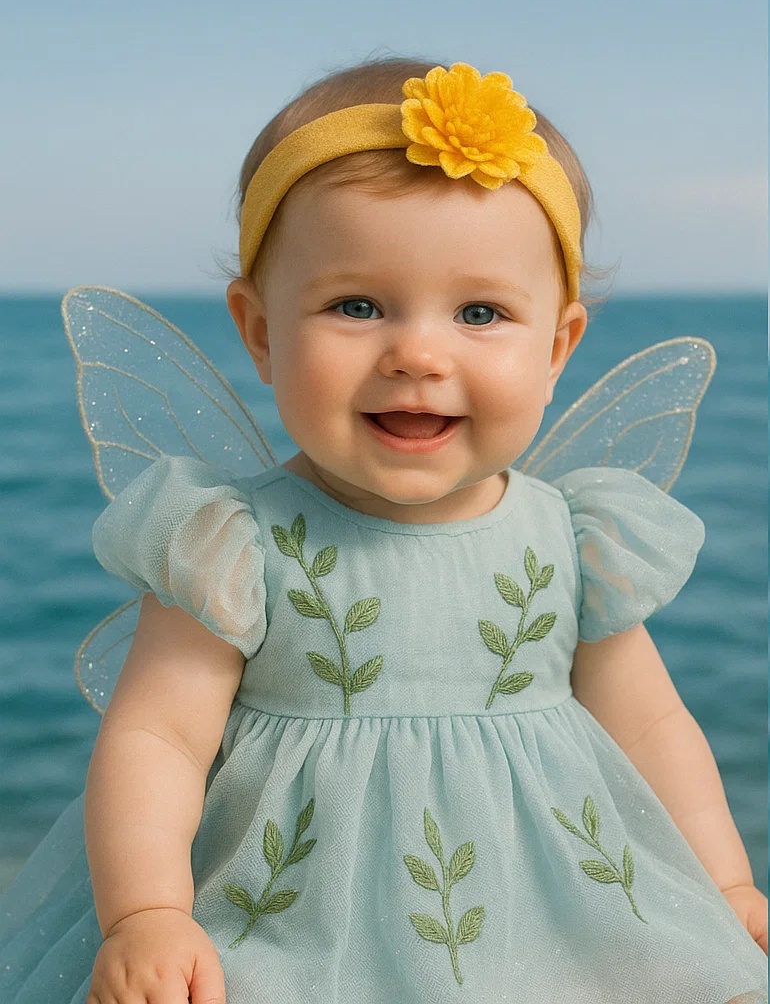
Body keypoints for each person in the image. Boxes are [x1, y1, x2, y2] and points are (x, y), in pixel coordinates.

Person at [0, 57, 766, 1004]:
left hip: (556, 913)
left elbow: (653, 728)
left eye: (481, 312)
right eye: (356, 306)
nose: (417, 352)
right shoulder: (232, 541)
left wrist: (723, 881)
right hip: (289, 922)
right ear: (261, 331)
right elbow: (157, 737)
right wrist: (148, 914)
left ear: (559, 344)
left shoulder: (572, 538)